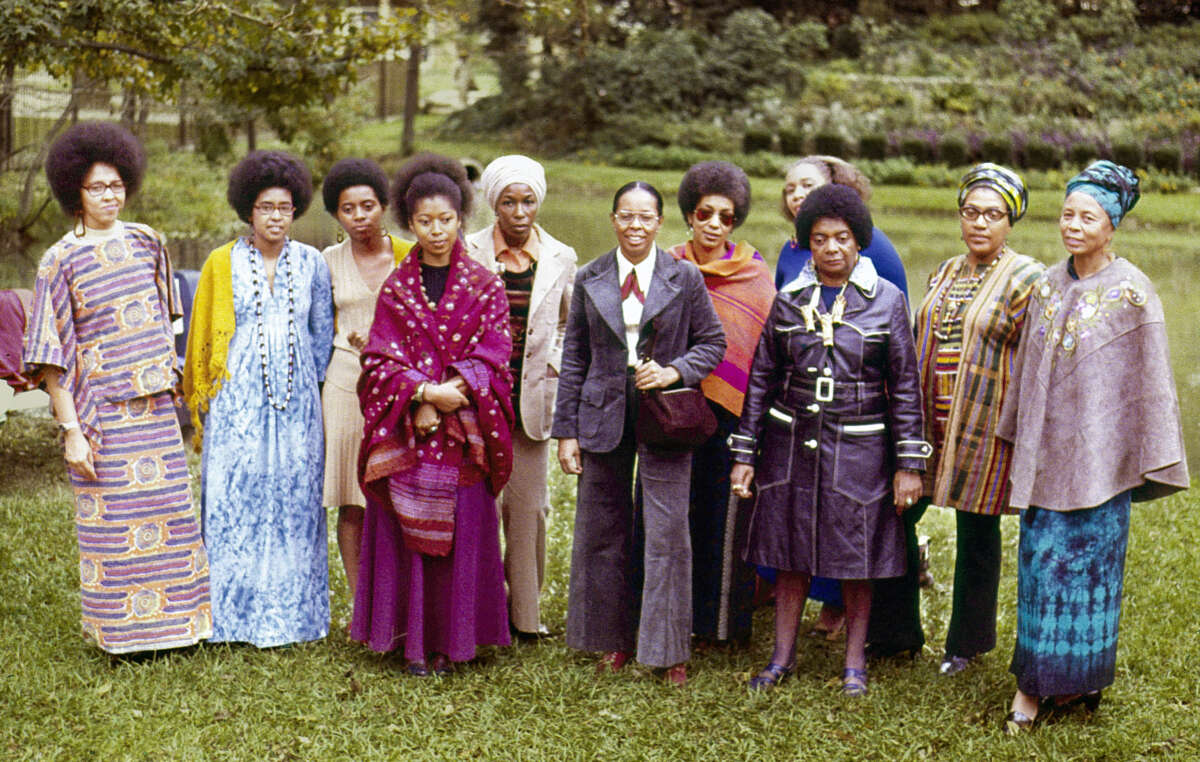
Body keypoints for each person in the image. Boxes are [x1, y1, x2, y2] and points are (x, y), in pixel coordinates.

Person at [997, 161, 1188, 733]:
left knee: (1092, 576)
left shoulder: (1133, 292)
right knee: (1040, 572)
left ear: (1113, 225)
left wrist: (1134, 452)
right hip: (1047, 459)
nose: (1073, 226)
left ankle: (1080, 682)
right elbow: (1029, 370)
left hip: (1103, 464)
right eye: (1067, 214)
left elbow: (1149, 384)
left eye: (1088, 216)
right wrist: (1019, 434)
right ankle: (1030, 689)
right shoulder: (1048, 285)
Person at [730, 183, 929, 695]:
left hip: (860, 446)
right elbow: (761, 378)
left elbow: (906, 386)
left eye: (842, 238)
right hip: (791, 442)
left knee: (855, 555)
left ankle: (854, 664)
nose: (833, 248)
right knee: (790, 551)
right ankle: (780, 658)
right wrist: (746, 453)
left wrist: (909, 463)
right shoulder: (790, 300)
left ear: (859, 241)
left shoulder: (886, 301)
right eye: (820, 239)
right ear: (808, 243)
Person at [24, 122, 211, 653]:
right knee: (113, 526)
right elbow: (50, 358)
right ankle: (123, 636)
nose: (109, 196)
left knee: (170, 517)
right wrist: (71, 431)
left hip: (154, 411)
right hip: (102, 415)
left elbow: (166, 323)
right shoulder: (59, 260)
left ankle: (179, 628)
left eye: (116, 185)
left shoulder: (149, 242)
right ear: (73, 193)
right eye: (96, 188)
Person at [552, 181, 725, 685]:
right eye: (626, 216)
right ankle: (611, 639)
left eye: (645, 217)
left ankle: (668, 648)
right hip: (602, 412)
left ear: (659, 223)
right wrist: (568, 433)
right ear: (613, 220)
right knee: (601, 529)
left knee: (668, 532)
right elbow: (576, 356)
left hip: (664, 415)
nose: (635, 226)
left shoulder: (684, 277)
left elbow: (713, 343)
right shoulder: (592, 276)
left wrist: (674, 371)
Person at [352, 153, 515, 676]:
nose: (437, 230)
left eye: (446, 220)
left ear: (461, 218)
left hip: (462, 434)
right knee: (407, 532)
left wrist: (447, 396)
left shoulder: (485, 285)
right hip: (411, 437)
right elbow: (379, 360)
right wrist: (420, 396)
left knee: (460, 535)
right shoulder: (397, 289)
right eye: (425, 221)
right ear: (409, 222)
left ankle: (452, 643)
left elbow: (496, 355)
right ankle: (410, 642)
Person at [184, 150, 334, 647]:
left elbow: (321, 337)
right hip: (236, 401)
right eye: (266, 207)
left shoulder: (313, 263)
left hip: (296, 404)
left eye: (285, 207)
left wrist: (305, 391)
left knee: (294, 497)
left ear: (296, 211)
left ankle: (293, 618)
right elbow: (203, 335)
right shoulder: (220, 262)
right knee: (236, 494)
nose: (275, 216)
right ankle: (231, 617)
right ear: (248, 210)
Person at [909, 164, 1045, 676]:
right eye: (971, 212)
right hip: (928, 420)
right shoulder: (944, 271)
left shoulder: (1026, 278)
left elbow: (1036, 359)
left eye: (993, 214)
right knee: (895, 515)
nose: (980, 223)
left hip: (984, 424)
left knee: (977, 533)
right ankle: (894, 630)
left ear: (1011, 221)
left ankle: (964, 646)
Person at [774, 155, 911, 642]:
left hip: (859, 412)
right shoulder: (791, 252)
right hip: (802, 411)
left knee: (856, 523)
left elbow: (894, 344)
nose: (797, 194)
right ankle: (786, 637)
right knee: (796, 519)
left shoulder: (880, 256)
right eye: (789, 187)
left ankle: (859, 627)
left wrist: (904, 452)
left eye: (807, 185)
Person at [466, 155, 577, 640]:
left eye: (527, 201)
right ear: (493, 204)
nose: (518, 212)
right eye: (508, 202)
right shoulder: (467, 250)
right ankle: (482, 611)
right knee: (480, 506)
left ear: (539, 202)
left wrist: (550, 360)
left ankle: (526, 618)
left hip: (531, 398)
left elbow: (569, 324)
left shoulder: (561, 255)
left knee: (529, 509)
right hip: (479, 397)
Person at [665, 161, 774, 648]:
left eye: (725, 216)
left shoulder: (754, 274)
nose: (713, 223)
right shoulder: (665, 265)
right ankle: (669, 618)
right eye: (704, 212)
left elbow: (761, 349)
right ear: (689, 214)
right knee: (673, 516)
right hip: (671, 409)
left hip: (731, 415)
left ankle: (720, 627)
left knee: (723, 517)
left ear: (736, 220)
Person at [319, 158, 412, 599]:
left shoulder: (410, 254)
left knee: (396, 492)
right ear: (337, 215)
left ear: (384, 205)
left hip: (399, 387)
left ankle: (395, 598)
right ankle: (361, 605)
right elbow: (319, 327)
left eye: (368, 206)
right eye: (348, 209)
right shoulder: (327, 261)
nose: (360, 217)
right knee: (352, 501)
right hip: (345, 384)